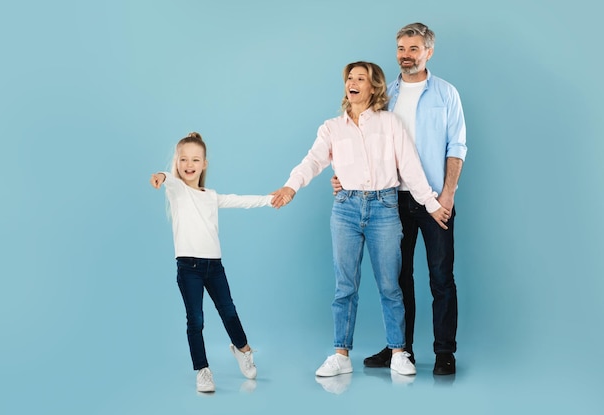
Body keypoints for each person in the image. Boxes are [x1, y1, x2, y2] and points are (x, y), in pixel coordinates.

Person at [271, 61, 450, 378]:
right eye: (349, 78)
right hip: (346, 208)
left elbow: (410, 168)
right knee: (344, 287)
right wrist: (291, 186)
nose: (352, 83)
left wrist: (432, 204)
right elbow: (313, 160)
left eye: (360, 78)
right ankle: (340, 354)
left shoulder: (390, 123)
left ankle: (398, 352)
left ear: (374, 87)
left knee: (390, 285)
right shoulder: (332, 128)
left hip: (384, 207)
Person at [333, 23, 467, 375]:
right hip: (390, 201)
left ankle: (444, 352)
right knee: (397, 277)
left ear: (428, 52)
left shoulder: (446, 94)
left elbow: (457, 147)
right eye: (401, 49)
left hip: (436, 201)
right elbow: (364, 143)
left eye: (413, 49)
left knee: (441, 277)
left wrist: (447, 196)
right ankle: (400, 350)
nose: (406, 56)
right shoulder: (385, 95)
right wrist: (344, 176)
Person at [150, 132, 278, 393]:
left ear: (204, 164)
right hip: (188, 268)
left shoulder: (211, 195)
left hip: (214, 267)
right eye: (183, 159)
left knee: (228, 310)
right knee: (195, 319)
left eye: (195, 159)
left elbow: (241, 201)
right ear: (176, 162)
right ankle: (203, 371)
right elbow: (166, 179)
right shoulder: (176, 189)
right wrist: (160, 177)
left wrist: (269, 199)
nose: (189, 164)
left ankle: (243, 350)